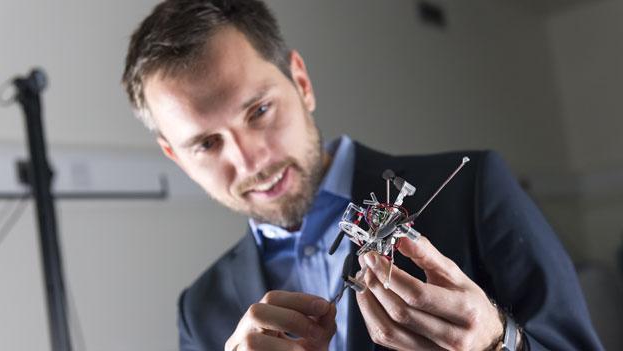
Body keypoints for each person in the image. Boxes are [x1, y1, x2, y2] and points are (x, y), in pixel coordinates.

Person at [121, 1, 604, 350]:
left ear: (302, 83)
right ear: (177, 157)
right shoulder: (200, 311)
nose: (251, 161)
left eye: (260, 110)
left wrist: (500, 345)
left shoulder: (472, 189)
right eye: (206, 143)